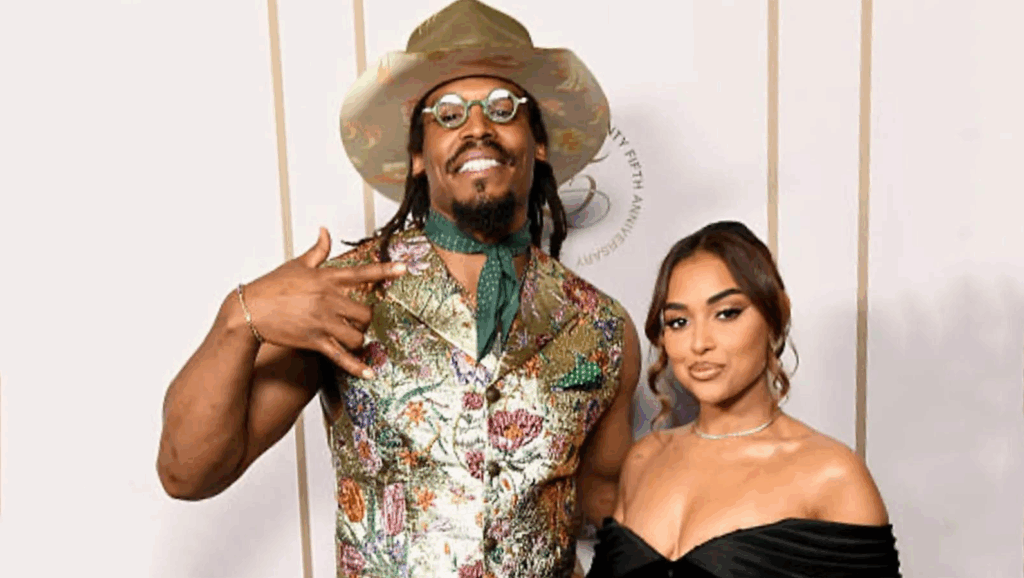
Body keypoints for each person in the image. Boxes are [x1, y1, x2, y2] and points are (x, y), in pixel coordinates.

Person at [156, 1, 640, 577]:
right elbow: (187, 474)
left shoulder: (605, 328)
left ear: (538, 142)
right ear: (417, 155)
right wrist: (238, 318)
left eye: (503, 108)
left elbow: (604, 513)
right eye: (449, 114)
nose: (478, 126)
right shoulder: (343, 296)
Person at [585, 221, 901, 578]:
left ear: (776, 315)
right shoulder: (644, 460)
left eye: (726, 313)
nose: (699, 342)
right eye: (678, 321)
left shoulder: (832, 475)